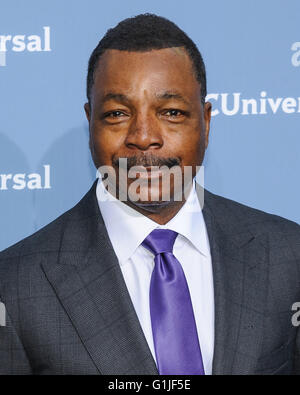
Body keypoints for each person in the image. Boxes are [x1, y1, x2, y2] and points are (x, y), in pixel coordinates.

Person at [0, 13, 299, 375]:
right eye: (116, 114)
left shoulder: (288, 255)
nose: (143, 136)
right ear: (90, 121)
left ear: (206, 123)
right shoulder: (15, 284)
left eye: (171, 112)